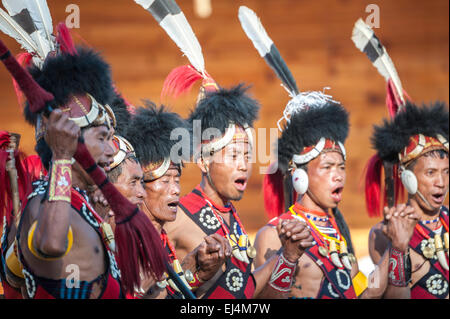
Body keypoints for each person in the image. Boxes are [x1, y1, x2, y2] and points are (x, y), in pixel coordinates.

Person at [165, 85, 314, 299]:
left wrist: (288, 256)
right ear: (203, 162)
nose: (244, 165)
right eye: (234, 155)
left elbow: (245, 294)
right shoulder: (176, 217)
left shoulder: (232, 217)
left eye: (246, 155)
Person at [124, 103, 238, 299]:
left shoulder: (161, 240)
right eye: (165, 180)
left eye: (176, 180)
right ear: (141, 185)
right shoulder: (128, 240)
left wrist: (199, 269)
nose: (176, 189)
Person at [367, 102, 449, 299]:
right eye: (431, 173)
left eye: (446, 172)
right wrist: (396, 247)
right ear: (407, 178)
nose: (441, 182)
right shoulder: (382, 233)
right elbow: (372, 292)